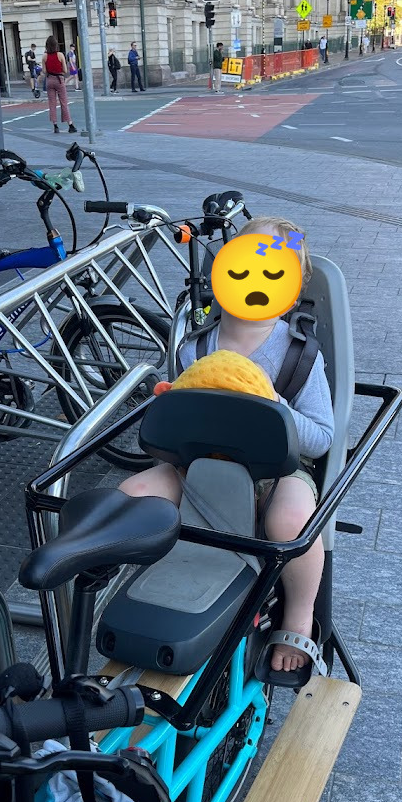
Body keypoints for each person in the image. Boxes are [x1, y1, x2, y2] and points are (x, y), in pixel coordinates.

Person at [119, 215, 333, 675]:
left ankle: (298, 616)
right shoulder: (196, 348)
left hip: (275, 474)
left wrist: (272, 403)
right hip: (199, 466)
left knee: (291, 521)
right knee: (130, 498)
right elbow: (175, 427)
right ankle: (153, 586)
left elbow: (322, 437)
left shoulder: (299, 355)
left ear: (291, 290)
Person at [42, 36, 77, 135]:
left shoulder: (44, 56)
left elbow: (44, 71)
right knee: (64, 102)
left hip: (49, 80)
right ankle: (70, 124)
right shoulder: (60, 55)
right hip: (59, 79)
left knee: (52, 103)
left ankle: (55, 125)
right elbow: (65, 70)